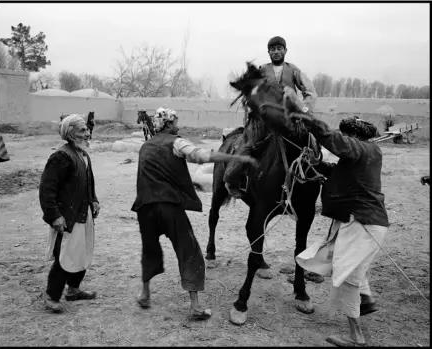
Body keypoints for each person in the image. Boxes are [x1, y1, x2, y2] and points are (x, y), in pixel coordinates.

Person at [131, 107, 257, 320]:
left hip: (144, 207)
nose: (178, 126)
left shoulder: (145, 146)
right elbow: (200, 155)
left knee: (149, 250)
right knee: (189, 251)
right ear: (169, 124)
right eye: (176, 122)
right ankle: (195, 306)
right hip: (169, 206)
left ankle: (144, 293)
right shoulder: (177, 142)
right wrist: (235, 158)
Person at [292, 114, 390, 347]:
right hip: (363, 222)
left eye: (346, 135)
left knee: (347, 276)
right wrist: (317, 164)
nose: (344, 138)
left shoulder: (361, 149)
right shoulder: (366, 153)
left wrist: (305, 116)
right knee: (348, 268)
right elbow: (339, 171)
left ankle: (356, 336)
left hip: (362, 224)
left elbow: (333, 139)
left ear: (354, 136)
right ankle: (364, 301)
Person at [224, 35, 317, 198]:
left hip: (290, 117)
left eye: (279, 48)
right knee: (248, 144)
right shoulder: (261, 70)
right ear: (268, 52)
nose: (276, 52)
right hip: (263, 119)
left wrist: (304, 109)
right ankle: (232, 178)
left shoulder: (294, 70)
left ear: (285, 50)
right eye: (272, 49)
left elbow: (310, 92)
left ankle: (315, 176)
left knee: (312, 140)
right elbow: (250, 91)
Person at [39, 114, 100, 313]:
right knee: (65, 256)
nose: (87, 133)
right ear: (70, 133)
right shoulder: (61, 156)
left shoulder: (82, 154)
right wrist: (54, 215)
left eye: (86, 129)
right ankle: (51, 296)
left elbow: (87, 181)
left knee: (82, 252)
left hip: (84, 213)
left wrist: (94, 200)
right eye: (82, 130)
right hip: (68, 217)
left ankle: (73, 290)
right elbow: (47, 189)